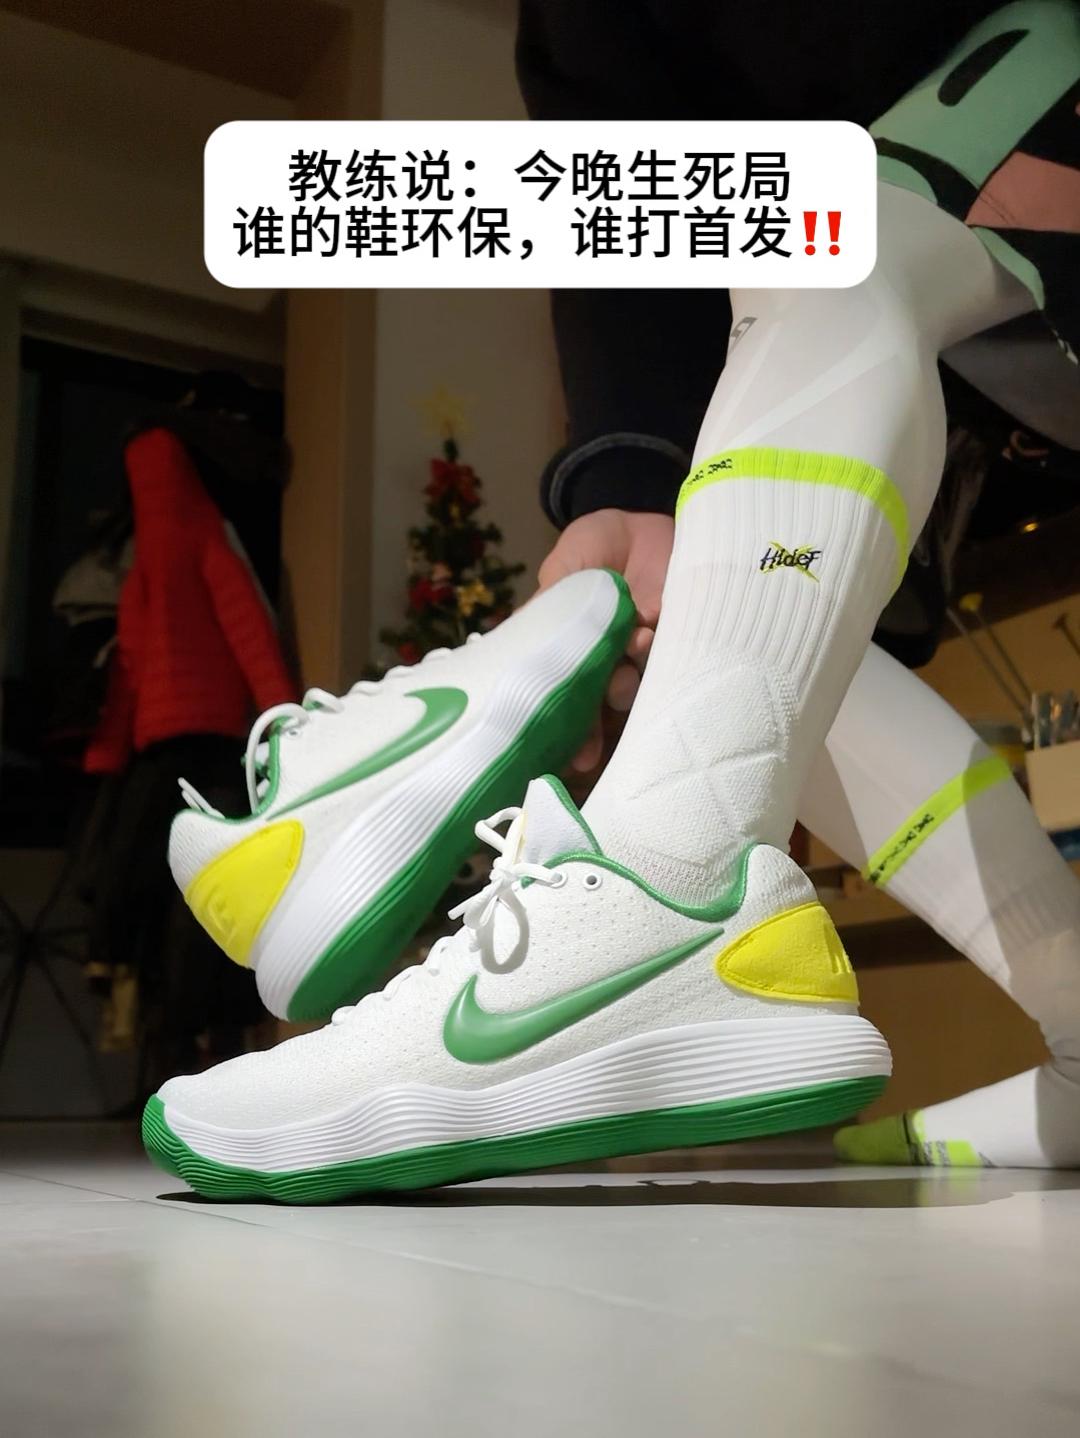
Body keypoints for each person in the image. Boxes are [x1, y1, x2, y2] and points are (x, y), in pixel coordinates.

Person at [141, 1, 1080, 1198]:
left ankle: (669, 890)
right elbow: (624, 205)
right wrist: (634, 484)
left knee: (836, 236)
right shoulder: (587, 25)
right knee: (747, 622)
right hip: (959, 327)